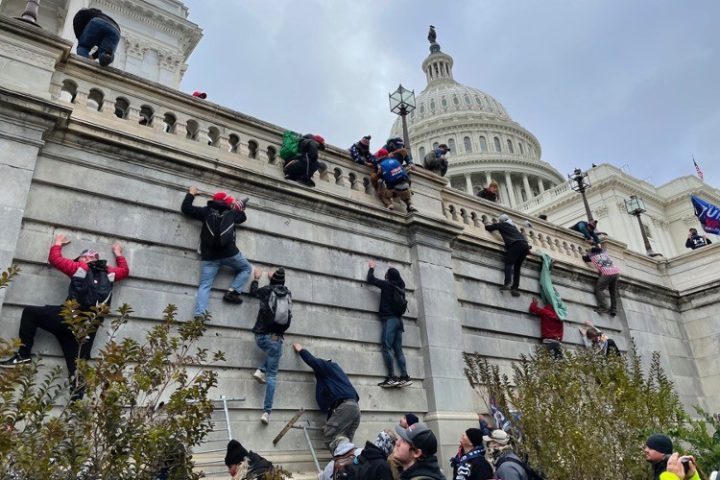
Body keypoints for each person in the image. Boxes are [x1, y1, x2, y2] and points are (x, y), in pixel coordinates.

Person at [0, 234, 129, 385]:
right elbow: (125, 270)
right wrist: (118, 253)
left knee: (30, 312)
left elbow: (55, 259)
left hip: (67, 319)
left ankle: (23, 355)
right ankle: (76, 405)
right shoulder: (109, 272)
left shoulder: (78, 267)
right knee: (78, 372)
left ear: (82, 259)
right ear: (97, 259)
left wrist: (58, 242)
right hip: (87, 329)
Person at [181, 187, 252, 317]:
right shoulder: (231, 214)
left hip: (209, 257)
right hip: (230, 254)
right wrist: (239, 207)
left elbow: (186, 208)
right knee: (246, 268)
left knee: (204, 286)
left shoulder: (206, 211)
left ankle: (199, 315)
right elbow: (242, 218)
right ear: (227, 203)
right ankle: (233, 291)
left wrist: (191, 193)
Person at [293, 343, 361, 449]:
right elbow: (333, 405)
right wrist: (329, 423)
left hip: (345, 407)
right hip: (355, 408)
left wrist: (301, 350)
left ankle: (339, 464)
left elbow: (312, 361)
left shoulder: (327, 366)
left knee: (331, 438)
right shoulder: (338, 376)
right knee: (347, 442)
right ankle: (350, 464)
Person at [250, 267, 292, 425]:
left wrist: (256, 278)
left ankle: (261, 370)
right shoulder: (288, 293)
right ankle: (266, 412)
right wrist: (274, 279)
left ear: (272, 279)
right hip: (275, 337)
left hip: (260, 336)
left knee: (275, 352)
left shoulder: (267, 290)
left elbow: (253, 292)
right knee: (273, 375)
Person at [366, 260, 411, 388]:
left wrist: (372, 267)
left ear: (387, 277)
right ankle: (405, 376)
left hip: (390, 320)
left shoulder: (386, 285)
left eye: (386, 273)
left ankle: (391, 377)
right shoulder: (400, 286)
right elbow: (400, 280)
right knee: (399, 350)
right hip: (399, 321)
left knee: (387, 347)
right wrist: (393, 271)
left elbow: (371, 279)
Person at [484, 214, 531, 296]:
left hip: (516, 245)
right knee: (517, 268)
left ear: (501, 221)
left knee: (508, 263)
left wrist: (486, 224)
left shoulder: (502, 225)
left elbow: (488, 228)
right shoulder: (514, 227)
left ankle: (507, 283)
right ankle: (515, 288)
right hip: (525, 246)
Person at [582, 245, 620, 316]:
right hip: (616, 271)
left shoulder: (592, 256)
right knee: (613, 291)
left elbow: (584, 258)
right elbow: (603, 249)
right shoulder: (605, 253)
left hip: (607, 273)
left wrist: (587, 252)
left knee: (599, 289)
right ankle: (613, 309)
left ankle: (604, 307)